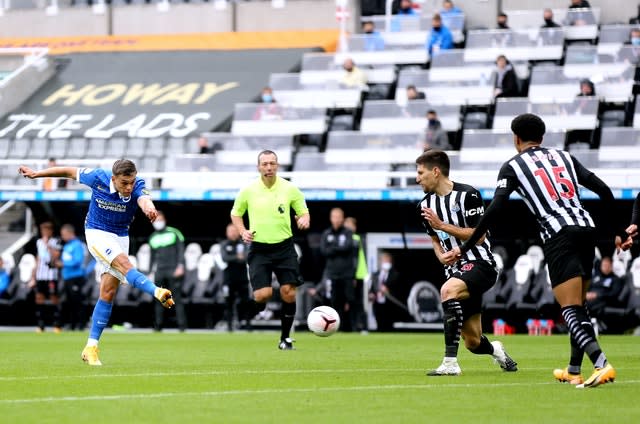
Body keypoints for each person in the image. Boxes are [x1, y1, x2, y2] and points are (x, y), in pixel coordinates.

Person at [444, 113, 627, 388]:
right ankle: (574, 369)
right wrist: (619, 230)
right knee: (579, 305)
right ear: (542, 137)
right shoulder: (564, 156)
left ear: (516, 139)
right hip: (586, 229)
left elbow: (495, 209)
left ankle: (601, 364)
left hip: (558, 234)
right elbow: (603, 189)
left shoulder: (513, 166)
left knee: (569, 308)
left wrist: (466, 246)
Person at [19, 159, 174, 366]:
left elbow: (144, 199)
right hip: (97, 233)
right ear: (113, 179)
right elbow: (67, 171)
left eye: (131, 182)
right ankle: (157, 291)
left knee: (108, 292)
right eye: (124, 183)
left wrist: (149, 208)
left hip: (120, 236)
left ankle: (91, 347)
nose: (129, 187)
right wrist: (38, 174)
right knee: (125, 265)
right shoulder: (97, 177)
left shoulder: (137, 185)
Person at [414, 149, 517, 376]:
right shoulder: (424, 205)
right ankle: (496, 350)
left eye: (420, 172)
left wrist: (443, 226)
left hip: (481, 264)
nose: (417, 178)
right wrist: (441, 255)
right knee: (473, 342)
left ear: (436, 171)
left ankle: (450, 363)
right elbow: (434, 238)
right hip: (454, 270)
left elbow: (478, 236)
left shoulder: (468, 195)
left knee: (447, 290)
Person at [230, 150, 310, 350]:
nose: (268, 167)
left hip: (284, 246)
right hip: (259, 248)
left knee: (288, 292)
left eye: (272, 163)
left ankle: (285, 338)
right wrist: (242, 231)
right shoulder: (248, 190)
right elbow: (236, 214)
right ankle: (255, 308)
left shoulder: (290, 188)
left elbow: (303, 211)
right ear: (258, 167)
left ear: (277, 165)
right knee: (263, 295)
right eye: (265, 164)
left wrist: (304, 218)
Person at [149, 210, 187, 332]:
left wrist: (180, 266)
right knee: (160, 298)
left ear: (164, 220)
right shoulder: (152, 237)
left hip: (173, 269)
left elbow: (181, 251)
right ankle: (158, 325)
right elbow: (152, 257)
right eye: (155, 220)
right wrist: (150, 272)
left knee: (176, 298)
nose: (157, 222)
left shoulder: (174, 232)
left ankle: (182, 325)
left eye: (159, 220)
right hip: (159, 271)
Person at [320, 207, 356, 332]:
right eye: (334, 217)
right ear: (331, 218)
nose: (336, 220)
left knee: (350, 299)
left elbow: (347, 247)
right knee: (335, 300)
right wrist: (338, 247)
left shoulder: (348, 233)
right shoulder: (326, 233)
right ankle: (336, 327)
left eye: (338, 217)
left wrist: (333, 248)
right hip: (332, 273)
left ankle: (353, 327)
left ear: (342, 218)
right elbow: (324, 251)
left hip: (347, 273)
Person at [30, 221, 62, 333]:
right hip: (40, 275)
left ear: (50, 231)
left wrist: (48, 245)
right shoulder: (38, 242)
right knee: (39, 298)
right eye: (43, 230)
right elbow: (38, 259)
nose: (44, 232)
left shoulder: (55, 241)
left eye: (46, 230)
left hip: (51, 276)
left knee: (54, 298)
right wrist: (33, 277)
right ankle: (41, 325)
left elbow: (56, 256)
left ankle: (56, 324)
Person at [219, 222, 251, 331]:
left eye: (234, 231)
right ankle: (229, 326)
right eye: (230, 231)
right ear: (227, 233)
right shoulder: (224, 244)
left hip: (242, 278)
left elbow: (246, 257)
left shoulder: (244, 244)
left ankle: (247, 325)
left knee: (245, 302)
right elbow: (224, 258)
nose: (232, 233)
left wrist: (236, 258)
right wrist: (237, 257)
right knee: (228, 302)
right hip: (228, 279)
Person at [56, 224, 88, 331]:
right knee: (69, 301)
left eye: (64, 234)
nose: (63, 237)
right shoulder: (66, 246)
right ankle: (72, 324)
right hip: (67, 277)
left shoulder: (77, 245)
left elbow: (78, 261)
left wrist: (63, 264)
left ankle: (81, 324)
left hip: (76, 277)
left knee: (77, 301)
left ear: (70, 233)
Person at [369, 251, 408, 331]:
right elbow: (372, 288)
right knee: (379, 323)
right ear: (380, 261)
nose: (386, 263)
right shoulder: (375, 275)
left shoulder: (395, 275)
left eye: (388, 261)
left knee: (388, 324)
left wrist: (388, 291)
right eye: (384, 260)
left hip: (389, 304)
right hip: (378, 303)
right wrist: (371, 294)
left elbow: (399, 289)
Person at [344, 216, 368, 332]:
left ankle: (358, 326)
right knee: (355, 302)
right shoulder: (359, 238)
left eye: (350, 226)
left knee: (355, 302)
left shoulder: (354, 239)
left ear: (354, 227)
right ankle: (359, 326)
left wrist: (352, 275)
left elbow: (354, 259)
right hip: (359, 274)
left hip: (356, 275)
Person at [586, 256, 625, 320]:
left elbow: (614, 294)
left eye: (607, 265)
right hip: (589, 300)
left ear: (611, 266)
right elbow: (588, 288)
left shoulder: (615, 279)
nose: (605, 267)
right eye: (603, 265)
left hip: (603, 301)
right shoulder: (596, 277)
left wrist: (597, 295)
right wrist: (587, 294)